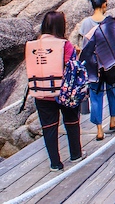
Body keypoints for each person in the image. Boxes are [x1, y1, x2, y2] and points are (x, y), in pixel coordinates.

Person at [26, 11, 84, 171]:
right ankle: (76, 154)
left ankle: (55, 164)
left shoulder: (33, 45)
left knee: (49, 127)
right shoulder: (65, 45)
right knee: (71, 122)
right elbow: (71, 66)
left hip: (41, 92)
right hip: (63, 91)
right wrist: (76, 53)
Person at [79, 0, 115, 141]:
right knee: (113, 89)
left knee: (95, 95)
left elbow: (85, 44)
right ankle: (113, 121)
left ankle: (99, 130)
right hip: (110, 63)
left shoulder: (86, 23)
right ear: (104, 5)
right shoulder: (109, 22)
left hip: (93, 66)